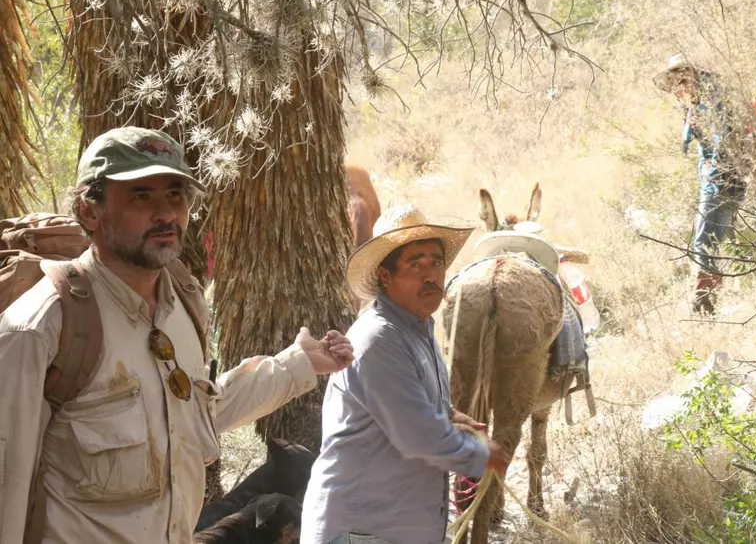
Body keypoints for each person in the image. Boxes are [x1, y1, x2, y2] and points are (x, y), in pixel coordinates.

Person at [0, 126, 354, 544]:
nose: (167, 213)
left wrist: (300, 363)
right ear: (89, 212)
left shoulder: (182, 303)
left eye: (176, 195)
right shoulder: (42, 327)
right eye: (141, 196)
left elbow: (194, 413)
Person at [300, 205, 510, 544]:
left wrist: (452, 418)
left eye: (436, 263)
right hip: (361, 532)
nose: (431, 275)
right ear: (386, 276)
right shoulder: (378, 340)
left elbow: (417, 408)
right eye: (416, 265)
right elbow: (417, 435)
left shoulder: (416, 331)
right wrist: (483, 455)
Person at [654, 53, 752, 314]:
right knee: (715, 239)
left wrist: (715, 169)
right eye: (675, 81)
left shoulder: (711, 103)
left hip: (721, 181)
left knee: (704, 241)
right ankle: (708, 303)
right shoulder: (699, 104)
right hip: (726, 179)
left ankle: (703, 302)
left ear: (693, 76)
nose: (678, 86)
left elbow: (725, 137)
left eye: (681, 78)